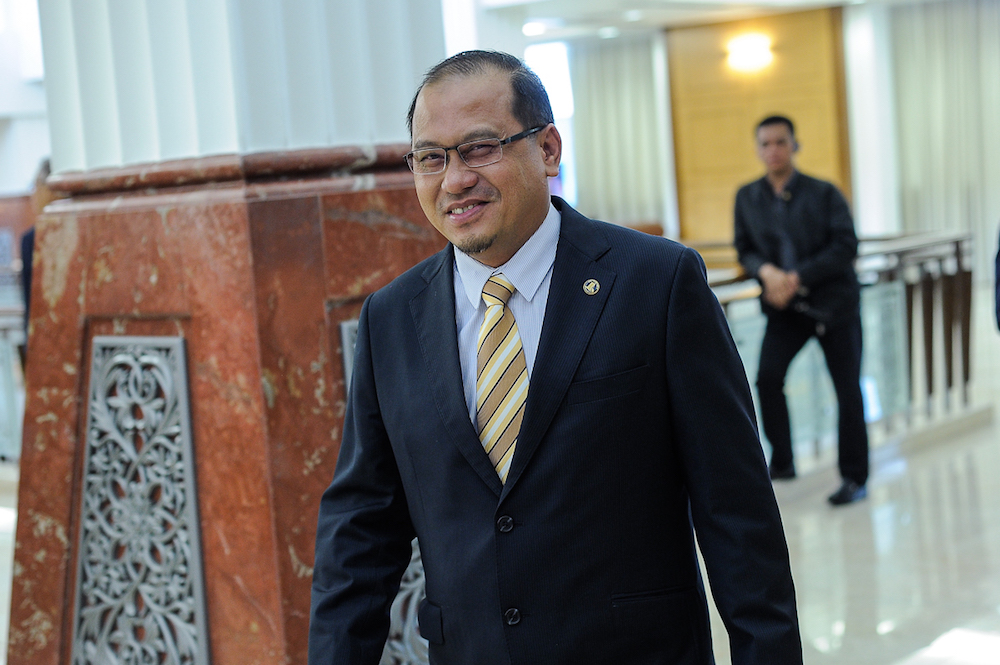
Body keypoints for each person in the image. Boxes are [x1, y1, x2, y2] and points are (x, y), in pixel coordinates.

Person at [310, 51, 802, 665]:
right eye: (430, 158)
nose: (454, 180)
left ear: (547, 149)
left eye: (480, 148)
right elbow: (361, 528)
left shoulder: (656, 283)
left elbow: (738, 517)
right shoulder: (391, 318)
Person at [733, 115, 869, 506]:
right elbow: (745, 248)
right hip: (785, 311)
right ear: (758, 150)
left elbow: (845, 246)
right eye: (765, 144)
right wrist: (767, 272)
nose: (773, 150)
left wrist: (795, 277)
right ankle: (783, 460)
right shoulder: (747, 196)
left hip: (834, 308)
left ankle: (854, 478)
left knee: (848, 391)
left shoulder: (824, 193)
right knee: (767, 379)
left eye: (780, 142)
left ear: (795, 145)